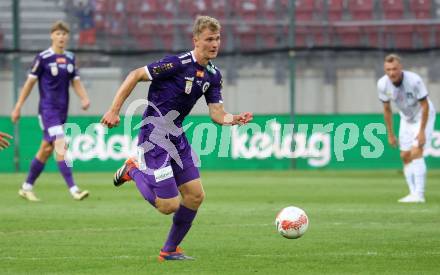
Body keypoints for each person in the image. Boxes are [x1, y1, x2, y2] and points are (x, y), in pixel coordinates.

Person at [101, 16, 253, 261]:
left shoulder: (213, 75)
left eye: (217, 39)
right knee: (168, 206)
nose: (215, 44)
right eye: (209, 39)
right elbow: (135, 75)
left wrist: (234, 118)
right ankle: (133, 169)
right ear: (196, 40)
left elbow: (217, 114)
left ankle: (169, 250)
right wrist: (114, 110)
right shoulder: (176, 64)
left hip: (176, 135)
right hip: (154, 136)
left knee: (195, 196)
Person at [11, 20, 91, 202]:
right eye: (58, 33)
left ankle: (26, 187)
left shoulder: (70, 58)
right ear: (51, 36)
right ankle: (74, 189)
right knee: (61, 145)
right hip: (48, 111)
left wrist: (84, 98)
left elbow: (75, 81)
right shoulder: (43, 58)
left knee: (46, 150)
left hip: (62, 112)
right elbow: (29, 84)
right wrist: (18, 107)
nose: (61, 37)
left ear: (67, 37)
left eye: (64, 34)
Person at [377, 54, 436, 203]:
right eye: (388, 69)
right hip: (406, 118)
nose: (392, 73)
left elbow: (425, 106)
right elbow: (387, 110)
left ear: (400, 68)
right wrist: (390, 134)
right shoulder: (382, 84)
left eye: (394, 69)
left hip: (423, 116)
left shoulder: (414, 81)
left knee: (416, 152)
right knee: (405, 156)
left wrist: (422, 131)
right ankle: (412, 193)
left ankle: (420, 195)